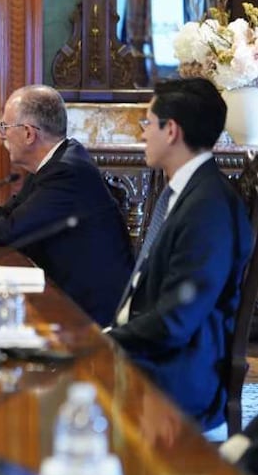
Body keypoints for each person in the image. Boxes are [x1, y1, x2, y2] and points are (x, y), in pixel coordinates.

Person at [107, 78, 252, 441]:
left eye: (147, 123)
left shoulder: (209, 208)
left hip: (177, 373)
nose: (142, 134)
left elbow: (175, 322)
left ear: (171, 130)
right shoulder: (188, 190)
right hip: (152, 353)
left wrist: (105, 342)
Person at [0, 85, 133, 326]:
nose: (1, 135)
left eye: (5, 127)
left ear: (28, 134)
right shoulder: (56, 161)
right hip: (62, 294)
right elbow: (8, 213)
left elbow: (11, 229)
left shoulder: (67, 172)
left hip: (86, 313)